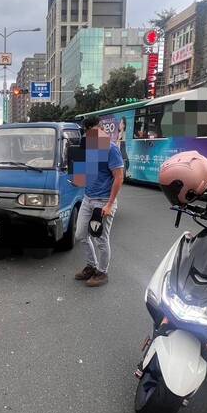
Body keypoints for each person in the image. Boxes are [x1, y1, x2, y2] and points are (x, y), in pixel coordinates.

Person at [71, 116, 125, 287]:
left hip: (103, 202)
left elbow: (119, 177)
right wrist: (78, 178)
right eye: (88, 132)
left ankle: (102, 272)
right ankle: (91, 266)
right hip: (88, 199)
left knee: (101, 239)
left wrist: (110, 204)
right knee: (80, 234)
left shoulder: (111, 149)